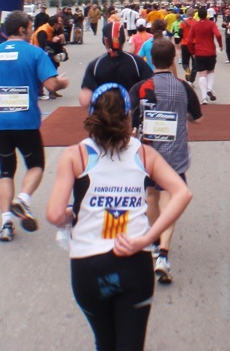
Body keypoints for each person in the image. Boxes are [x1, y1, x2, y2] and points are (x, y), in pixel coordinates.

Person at [46, 84, 191, 351]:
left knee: (105, 342)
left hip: (88, 267)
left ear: (93, 116)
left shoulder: (74, 155)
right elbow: (181, 193)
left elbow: (54, 214)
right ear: (128, 118)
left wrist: (72, 214)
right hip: (133, 261)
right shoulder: (144, 154)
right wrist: (148, 237)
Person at [0, 10, 69, 242]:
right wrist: (61, 83)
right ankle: (23, 199)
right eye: (29, 27)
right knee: (35, 164)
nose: (32, 31)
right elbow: (50, 83)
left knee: (6, 169)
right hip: (25, 121)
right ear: (22, 30)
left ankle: (6, 222)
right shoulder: (35, 53)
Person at [129, 39, 203, 284]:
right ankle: (163, 253)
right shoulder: (184, 87)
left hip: (147, 154)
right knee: (169, 198)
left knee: (151, 195)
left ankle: (152, 241)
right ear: (173, 60)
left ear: (151, 60)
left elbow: (130, 120)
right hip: (175, 154)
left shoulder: (140, 87)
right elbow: (198, 119)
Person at [79, 21, 153, 108]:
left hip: (104, 114)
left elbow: (84, 101)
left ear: (105, 41)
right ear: (123, 40)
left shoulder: (96, 65)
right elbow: (151, 87)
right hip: (130, 114)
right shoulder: (136, 62)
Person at [187, 8, 223, 103]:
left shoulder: (195, 26)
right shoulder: (212, 24)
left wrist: (192, 51)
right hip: (210, 51)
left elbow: (189, 41)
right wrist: (220, 45)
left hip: (199, 52)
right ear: (207, 15)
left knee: (202, 74)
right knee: (211, 71)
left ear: (198, 15)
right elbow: (218, 35)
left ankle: (204, 98)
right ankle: (209, 89)